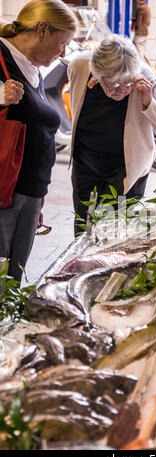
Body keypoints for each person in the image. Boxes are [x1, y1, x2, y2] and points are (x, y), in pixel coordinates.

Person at [67, 35, 156, 236]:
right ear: (97, 74)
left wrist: (149, 103)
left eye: (127, 83)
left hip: (127, 170)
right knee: (82, 229)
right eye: (113, 84)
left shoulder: (144, 79)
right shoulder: (79, 67)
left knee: (114, 235)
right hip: (85, 162)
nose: (121, 91)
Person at [0, 0, 77, 282]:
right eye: (62, 43)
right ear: (43, 29)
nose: (64, 53)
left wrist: (37, 200)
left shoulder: (31, 68)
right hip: (5, 194)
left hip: (28, 194)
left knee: (12, 281)